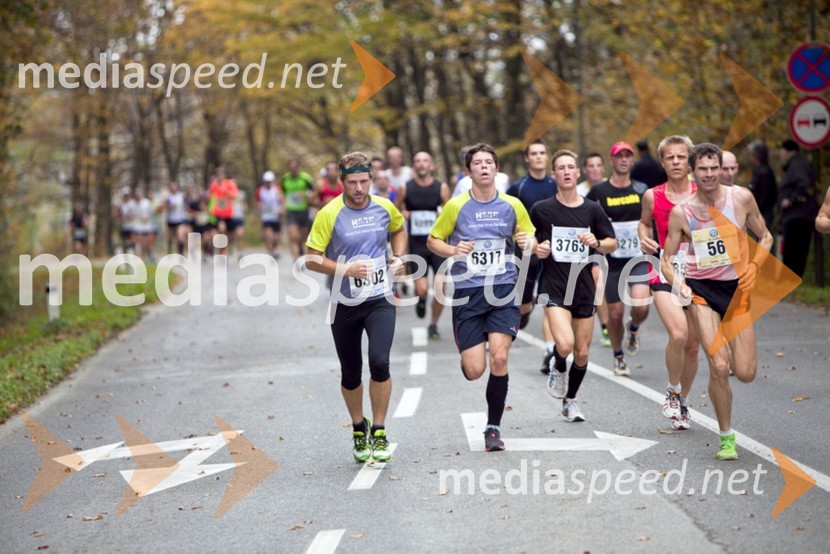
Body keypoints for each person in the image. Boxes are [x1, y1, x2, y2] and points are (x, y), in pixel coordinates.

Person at [662, 142, 772, 460]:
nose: (710, 174)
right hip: (702, 291)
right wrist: (679, 285)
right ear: (693, 171)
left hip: (736, 289)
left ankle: (728, 354)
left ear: (721, 169)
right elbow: (666, 260)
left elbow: (765, 236)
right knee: (719, 365)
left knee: (745, 372)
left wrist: (755, 267)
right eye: (703, 169)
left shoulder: (741, 199)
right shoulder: (682, 212)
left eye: (714, 168)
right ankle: (726, 437)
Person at [427, 143, 536, 452]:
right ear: (468, 171)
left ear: (496, 170)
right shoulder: (456, 206)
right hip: (469, 293)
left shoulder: (512, 205)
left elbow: (530, 238)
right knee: (475, 370)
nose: (484, 167)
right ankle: (468, 358)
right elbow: (433, 240)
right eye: (478, 163)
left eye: (489, 162)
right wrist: (452, 250)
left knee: (499, 359)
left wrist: (527, 241)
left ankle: (493, 427)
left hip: (503, 289)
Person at [305, 152, 407, 464]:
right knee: (351, 373)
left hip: (380, 298)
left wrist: (398, 256)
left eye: (364, 181)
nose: (359, 188)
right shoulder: (329, 213)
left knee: (379, 362)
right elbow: (311, 258)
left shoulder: (384, 206)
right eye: (352, 182)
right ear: (342, 182)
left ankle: (379, 430)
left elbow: (399, 229)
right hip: (344, 302)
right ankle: (358, 427)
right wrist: (344, 270)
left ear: (371, 179)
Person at [532, 150, 616, 422]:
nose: (566, 172)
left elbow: (611, 243)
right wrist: (537, 248)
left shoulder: (592, 209)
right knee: (565, 345)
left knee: (581, 352)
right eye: (561, 168)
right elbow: (528, 240)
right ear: (553, 174)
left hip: (583, 288)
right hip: (553, 286)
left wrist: (597, 243)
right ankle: (558, 366)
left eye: (571, 167)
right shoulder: (541, 209)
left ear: (578, 173)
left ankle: (570, 400)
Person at [638, 135, 699, 430]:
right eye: (670, 157)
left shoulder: (704, 192)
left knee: (693, 346)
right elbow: (643, 222)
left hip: (699, 273)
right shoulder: (653, 195)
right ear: (662, 162)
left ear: (690, 161)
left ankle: (683, 401)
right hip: (665, 269)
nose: (676, 162)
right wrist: (643, 237)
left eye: (681, 156)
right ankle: (672, 392)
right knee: (678, 335)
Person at [586, 141, 650, 377]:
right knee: (614, 314)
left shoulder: (642, 190)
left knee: (641, 306)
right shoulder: (599, 192)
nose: (623, 159)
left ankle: (633, 329)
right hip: (611, 261)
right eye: (619, 156)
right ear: (611, 160)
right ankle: (618, 357)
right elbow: (587, 219)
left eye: (627, 155)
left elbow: (651, 219)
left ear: (632, 160)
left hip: (637, 257)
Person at [505, 139, 558, 371]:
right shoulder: (518, 188)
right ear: (527, 158)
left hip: (552, 251)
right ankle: (524, 312)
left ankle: (550, 351)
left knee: (550, 303)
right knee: (524, 305)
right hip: (525, 252)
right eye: (533, 153)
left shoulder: (556, 184)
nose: (538, 157)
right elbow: (507, 218)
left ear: (547, 157)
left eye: (542, 153)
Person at [396, 151, 451, 339]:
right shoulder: (405, 187)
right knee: (421, 288)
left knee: (440, 288)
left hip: (438, 243)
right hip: (417, 244)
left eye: (425, 161)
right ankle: (421, 299)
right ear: (414, 166)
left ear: (432, 166)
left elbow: (450, 212)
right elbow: (394, 210)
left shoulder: (441, 187)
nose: (421, 164)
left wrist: (442, 215)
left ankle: (433, 324)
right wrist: (403, 214)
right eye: (418, 161)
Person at [578, 152, 612, 347]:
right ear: (584, 170)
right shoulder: (578, 191)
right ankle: (606, 327)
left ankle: (623, 322)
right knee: (597, 277)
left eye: (599, 165)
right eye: (591, 166)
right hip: (590, 242)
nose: (595, 170)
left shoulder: (612, 186)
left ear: (604, 168)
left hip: (616, 242)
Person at [778, 139, 819, 277]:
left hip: (798, 215)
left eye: (782, 150)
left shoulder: (797, 164)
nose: (780, 153)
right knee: (793, 250)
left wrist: (790, 200)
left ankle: (792, 278)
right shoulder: (794, 164)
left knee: (794, 250)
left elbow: (803, 183)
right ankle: (791, 278)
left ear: (787, 151)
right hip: (797, 215)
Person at [280, 158, 315, 261]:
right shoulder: (285, 179)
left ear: (298, 168)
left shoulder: (306, 178)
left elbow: (313, 192)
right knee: (293, 236)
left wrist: (305, 194)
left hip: (303, 210)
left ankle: (300, 246)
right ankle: (296, 260)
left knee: (303, 236)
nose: (293, 169)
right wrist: (282, 206)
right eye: (291, 167)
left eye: (295, 167)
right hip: (291, 210)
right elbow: (282, 193)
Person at [745, 140, 777, 231]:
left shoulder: (763, 172)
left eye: (751, 154)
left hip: (762, 213)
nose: (750, 157)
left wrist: (754, 208)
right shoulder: (760, 170)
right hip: (761, 212)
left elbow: (764, 195)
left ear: (756, 156)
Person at [209, 167, 239, 256]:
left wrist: (227, 192)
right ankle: (221, 250)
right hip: (218, 213)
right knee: (221, 229)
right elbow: (211, 197)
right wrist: (211, 208)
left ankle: (226, 247)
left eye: (221, 175)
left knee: (230, 234)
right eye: (218, 175)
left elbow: (235, 195)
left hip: (228, 214)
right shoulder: (214, 185)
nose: (220, 177)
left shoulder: (230, 184)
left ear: (224, 176)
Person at [257, 171, 282, 259]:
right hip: (266, 217)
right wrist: (259, 205)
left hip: (276, 217)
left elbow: (282, 201)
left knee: (277, 237)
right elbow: (256, 201)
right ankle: (271, 252)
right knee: (268, 236)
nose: (268, 183)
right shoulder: (260, 190)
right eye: (267, 182)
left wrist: (281, 210)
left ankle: (276, 249)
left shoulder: (277, 189)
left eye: (270, 182)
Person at [163, 182, 189, 255]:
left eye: (174, 187)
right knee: (170, 238)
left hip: (180, 219)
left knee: (180, 237)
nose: (173, 189)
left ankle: (181, 253)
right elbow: (164, 206)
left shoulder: (181, 196)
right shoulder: (168, 197)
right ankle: (169, 253)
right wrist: (169, 206)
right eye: (172, 187)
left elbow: (186, 204)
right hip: (171, 220)